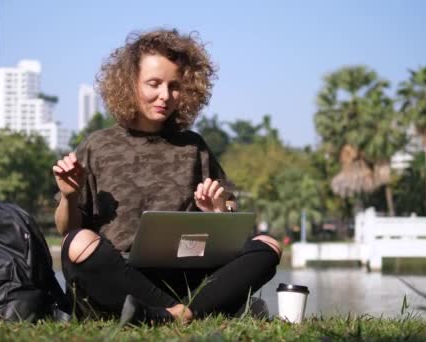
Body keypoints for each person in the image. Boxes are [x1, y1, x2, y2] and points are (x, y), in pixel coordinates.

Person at [53, 29, 282, 325]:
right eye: (154, 84)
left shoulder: (194, 146)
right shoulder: (97, 145)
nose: (166, 96)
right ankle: (190, 311)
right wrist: (70, 196)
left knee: (268, 245)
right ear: (129, 84)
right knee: (78, 242)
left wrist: (219, 212)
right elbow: (68, 230)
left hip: (186, 273)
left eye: (175, 86)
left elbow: (231, 223)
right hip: (121, 277)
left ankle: (172, 315)